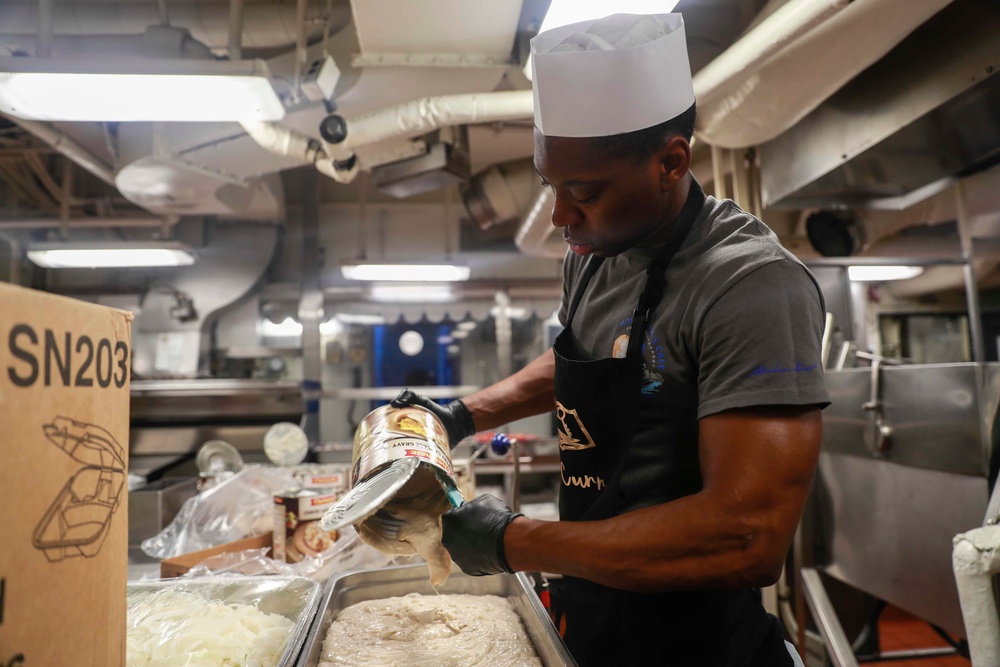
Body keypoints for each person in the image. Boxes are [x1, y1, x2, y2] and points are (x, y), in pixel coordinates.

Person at [393, 12, 828, 667]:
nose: (560, 215)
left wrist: (514, 541)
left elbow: (747, 536)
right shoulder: (596, 251)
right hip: (594, 612)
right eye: (551, 184)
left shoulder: (750, 285)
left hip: (700, 646)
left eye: (583, 191)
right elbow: (585, 358)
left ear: (670, 162)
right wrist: (459, 416)